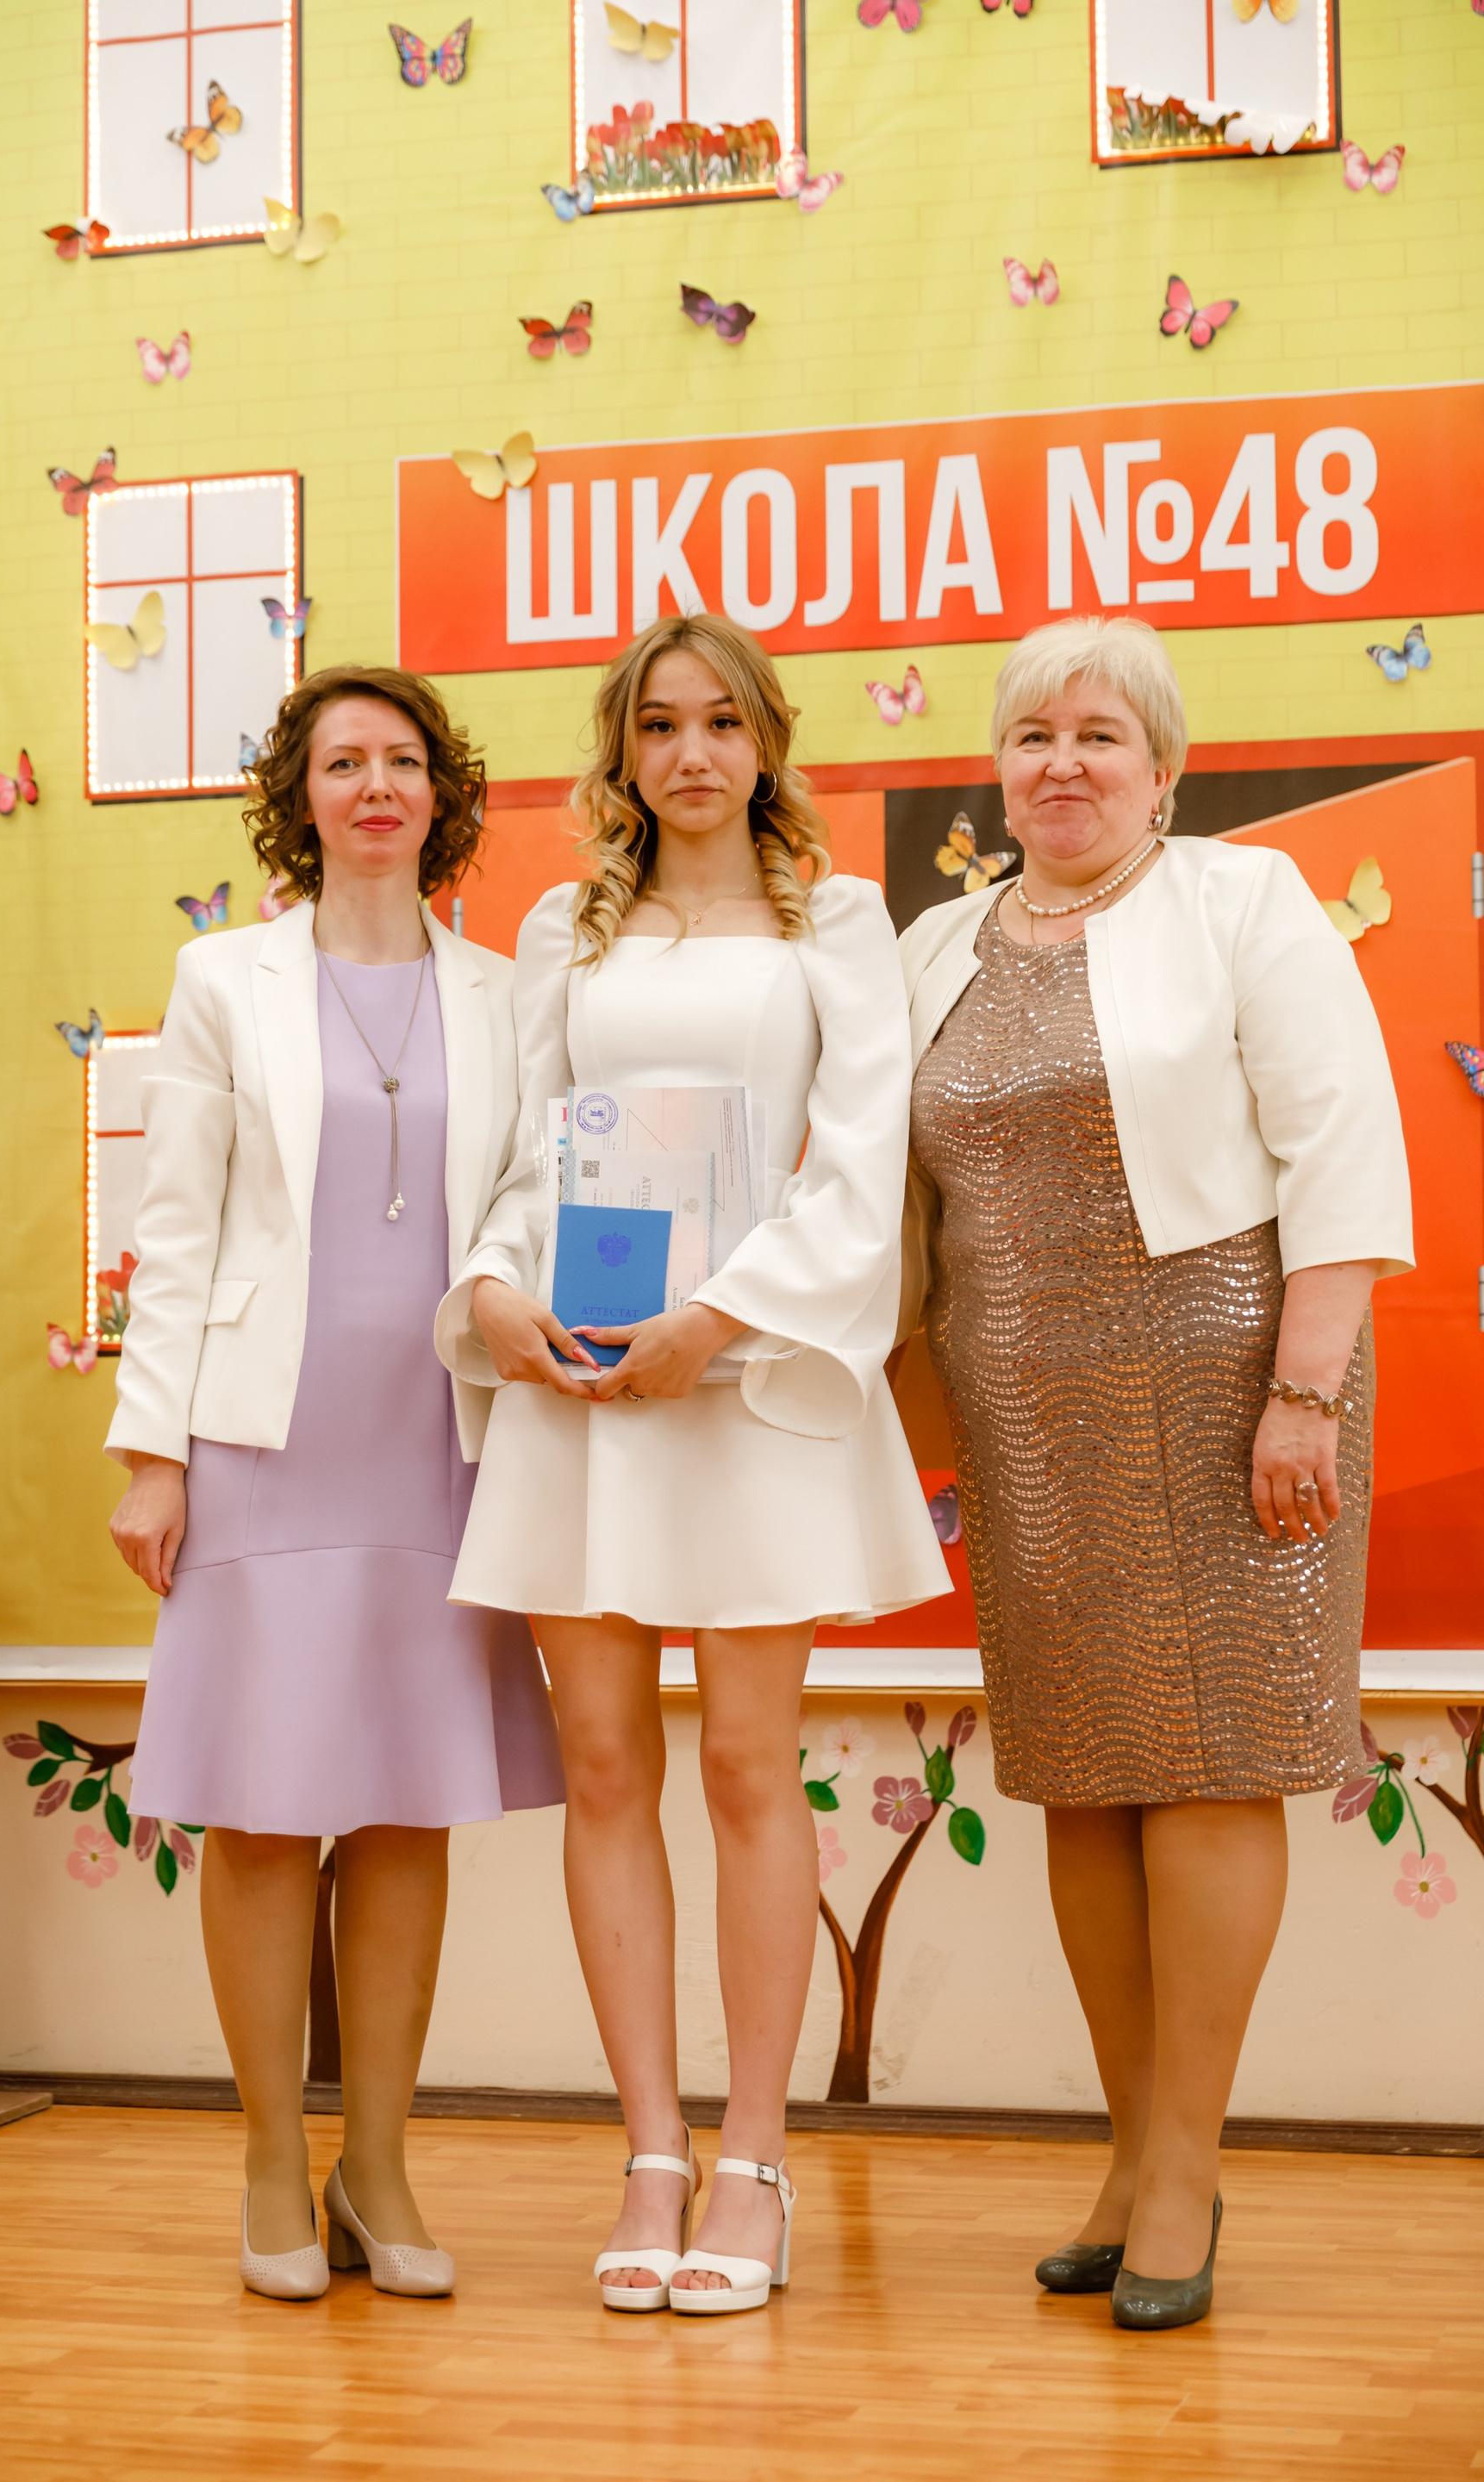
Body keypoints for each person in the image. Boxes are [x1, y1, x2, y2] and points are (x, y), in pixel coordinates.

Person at [899, 616, 1412, 2330]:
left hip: (1232, 1380)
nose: (1064, 764)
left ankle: (1185, 2168)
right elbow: (884, 1201)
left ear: (1166, 767)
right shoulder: (932, 945)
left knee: (1208, 1770)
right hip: (1024, 1406)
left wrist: (1305, 1395)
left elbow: (1341, 1145)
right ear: (998, 770)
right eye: (1034, 736)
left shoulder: (1244, 900)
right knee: (1085, 1776)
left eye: (1100, 735)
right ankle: (1134, 2158)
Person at [435, 612, 950, 2315]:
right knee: (602, 1767)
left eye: (723, 722)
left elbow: (857, 1175)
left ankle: (755, 2164)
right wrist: (497, 1290)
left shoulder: (837, 925)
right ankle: (650, 2155)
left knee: (743, 1765)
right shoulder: (563, 931)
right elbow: (525, 1164)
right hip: (584, 1393)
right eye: (659, 725)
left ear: (767, 742)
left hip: (741, 1385)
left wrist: (713, 1322)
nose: (692, 754)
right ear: (623, 751)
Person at [105, 664, 563, 2304]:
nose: (377, 784)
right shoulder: (220, 979)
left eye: (404, 760)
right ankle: (265, 2160)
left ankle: (376, 2164)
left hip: (442, 1445)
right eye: (343, 761)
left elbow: (528, 1201)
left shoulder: (509, 993)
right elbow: (176, 1233)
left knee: (403, 1810)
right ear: (298, 798)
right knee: (260, 1809)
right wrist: (153, 1457)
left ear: (443, 791)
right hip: (261, 1442)